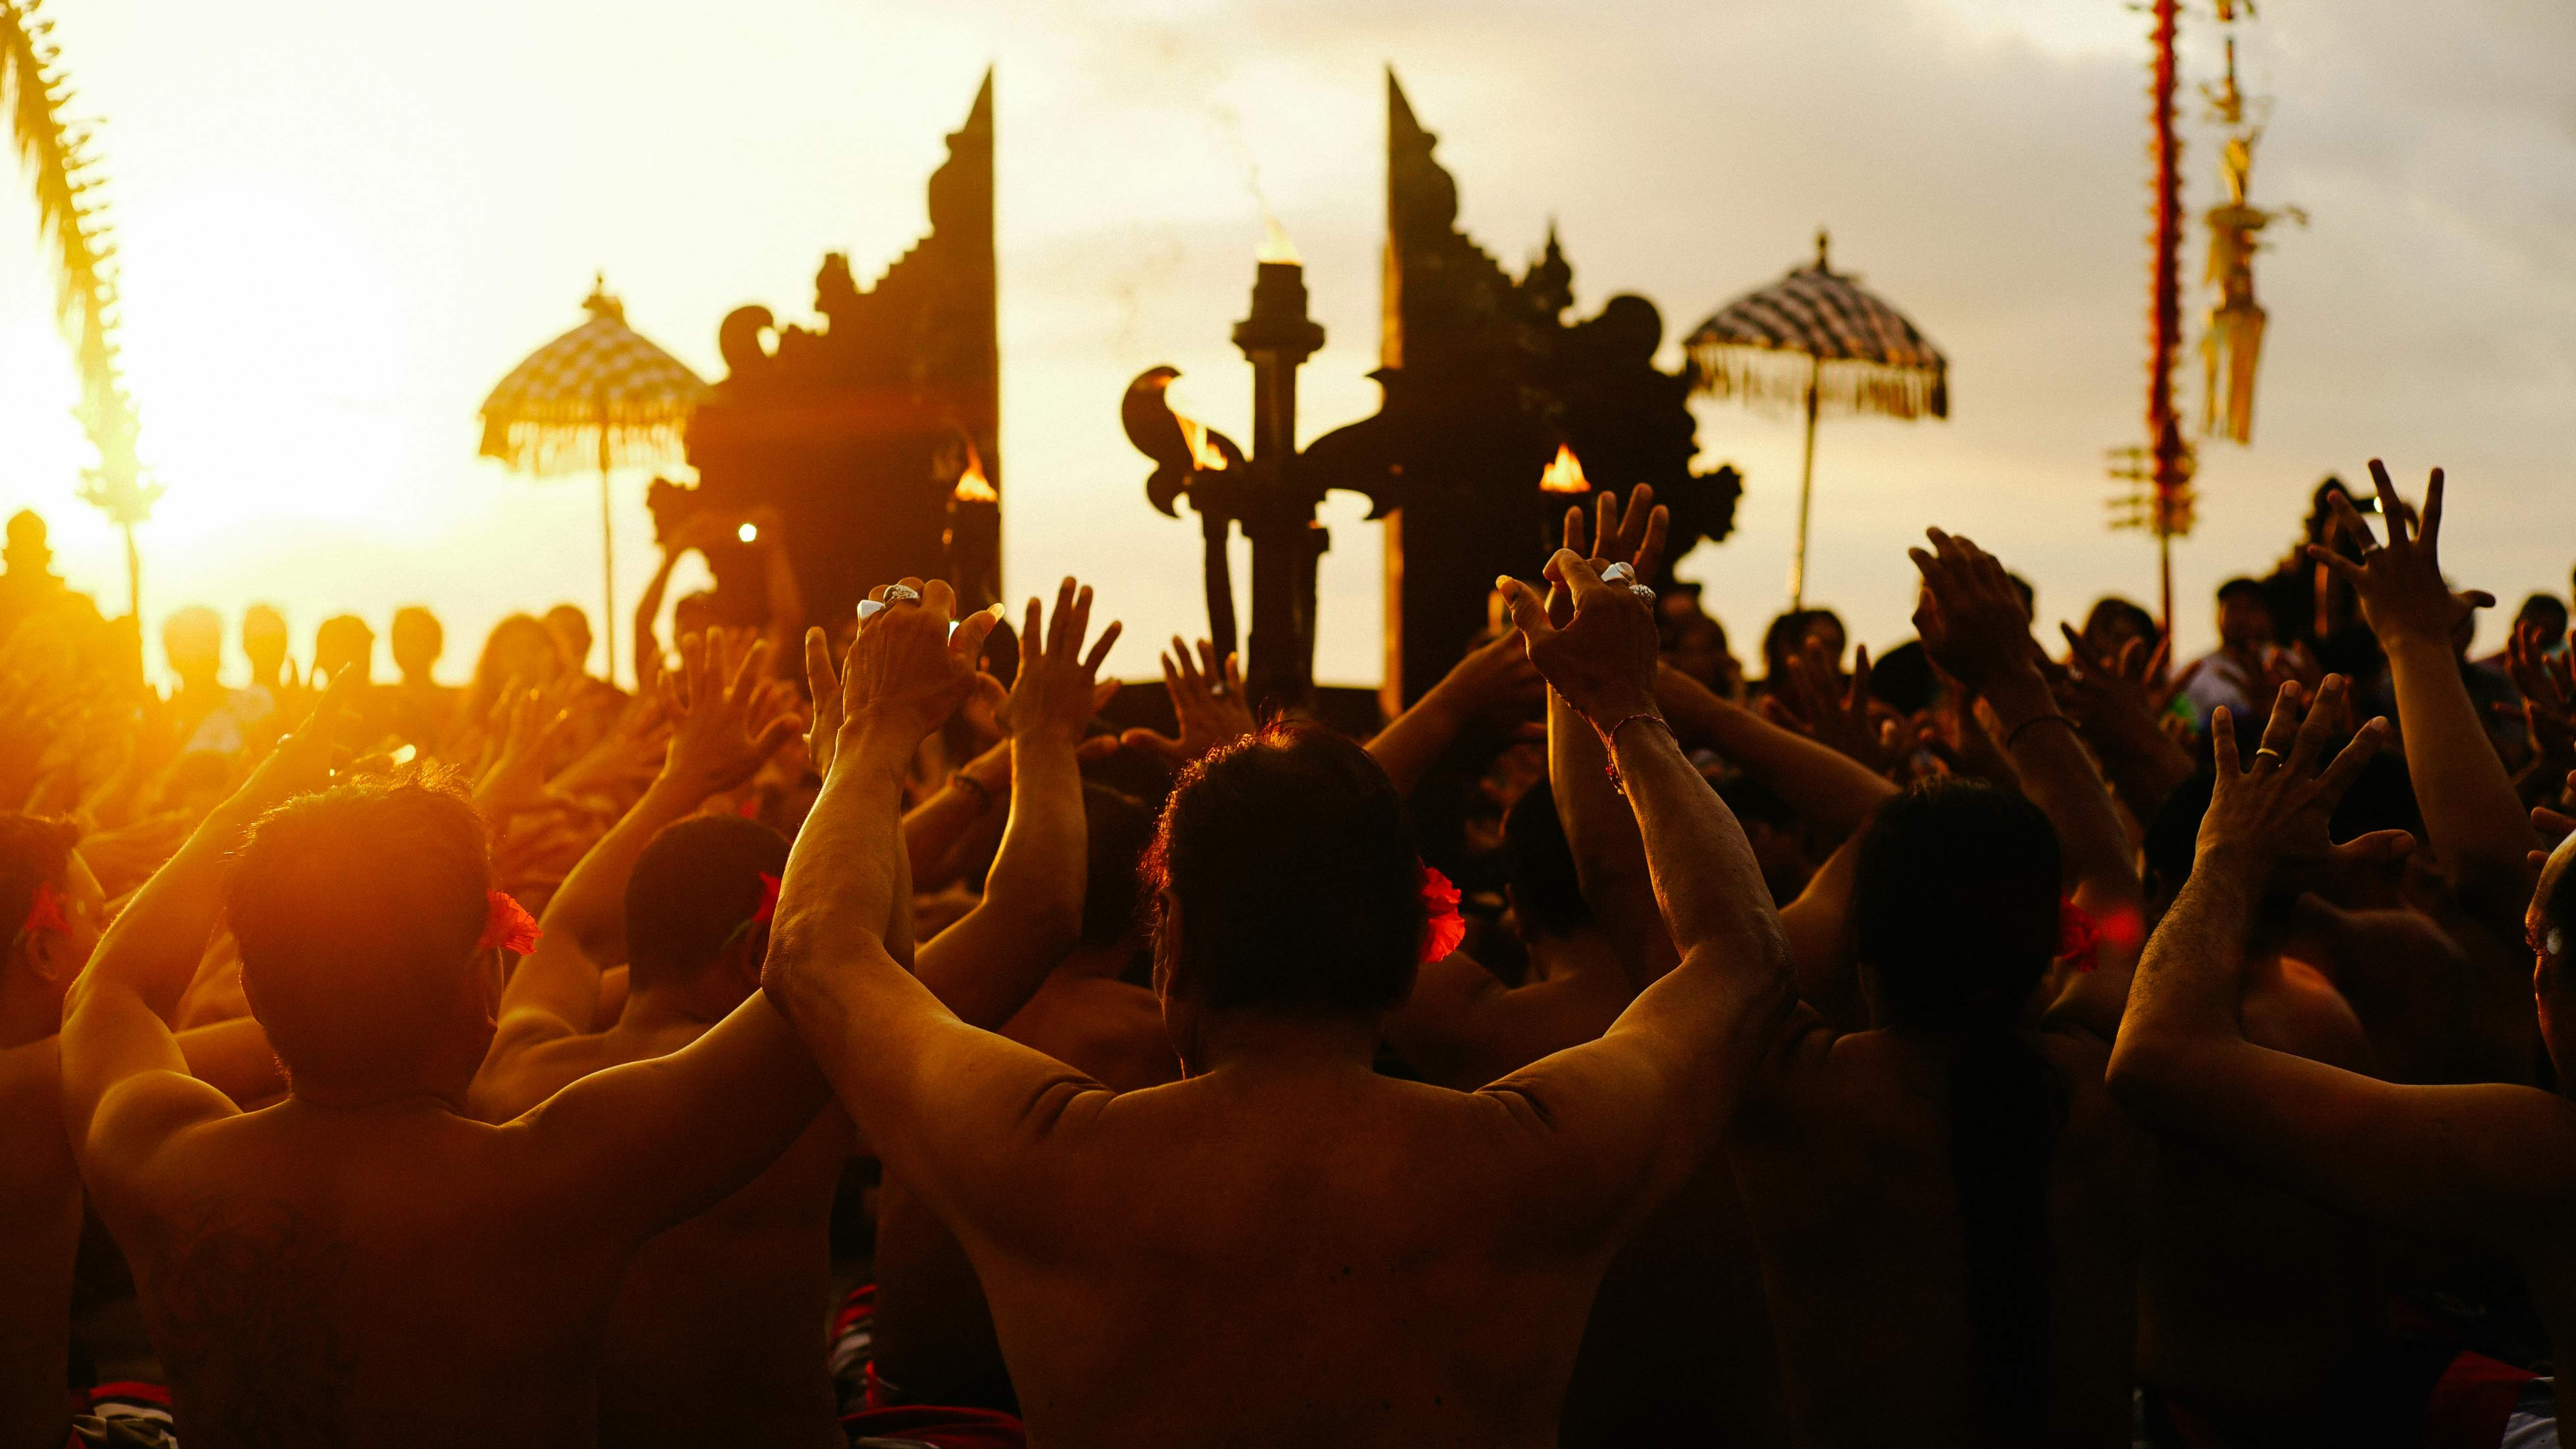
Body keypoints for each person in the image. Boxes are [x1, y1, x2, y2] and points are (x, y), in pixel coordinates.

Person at [55, 672, 860, 1447]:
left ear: (254, 995)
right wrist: (869, 748)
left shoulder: (158, 1157)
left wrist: (265, 793)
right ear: (485, 981)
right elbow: (826, 979)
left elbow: (111, 991)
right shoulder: (557, 1175)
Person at [467, 583, 1111, 1449]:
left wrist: (682, 777)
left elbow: (573, 931)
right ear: (752, 956)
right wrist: (1037, 733)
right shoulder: (797, 1072)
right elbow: (1034, 913)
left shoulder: (520, 1066)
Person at [1717, 528, 2151, 1446]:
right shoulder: (2115, 1073)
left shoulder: (1786, 1085)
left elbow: (1622, 876)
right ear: (2049, 952)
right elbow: (2111, 876)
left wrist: (1632, 701)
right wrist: (2012, 677)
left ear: (1859, 955)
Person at [0, 813, 278, 1449]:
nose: (111, 935)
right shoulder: (30, 1089)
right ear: (42, 952)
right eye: (101, 917)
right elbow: (278, 1043)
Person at [2178, 577, 2280, 730]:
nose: (2241, 618)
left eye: (2251, 609)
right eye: (2233, 608)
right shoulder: (2192, 672)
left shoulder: (2286, 663)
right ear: (2218, 614)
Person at [385, 604, 459, 749]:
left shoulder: (458, 703)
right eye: (399, 637)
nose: (405, 645)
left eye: (414, 637)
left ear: (436, 643)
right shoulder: (380, 702)